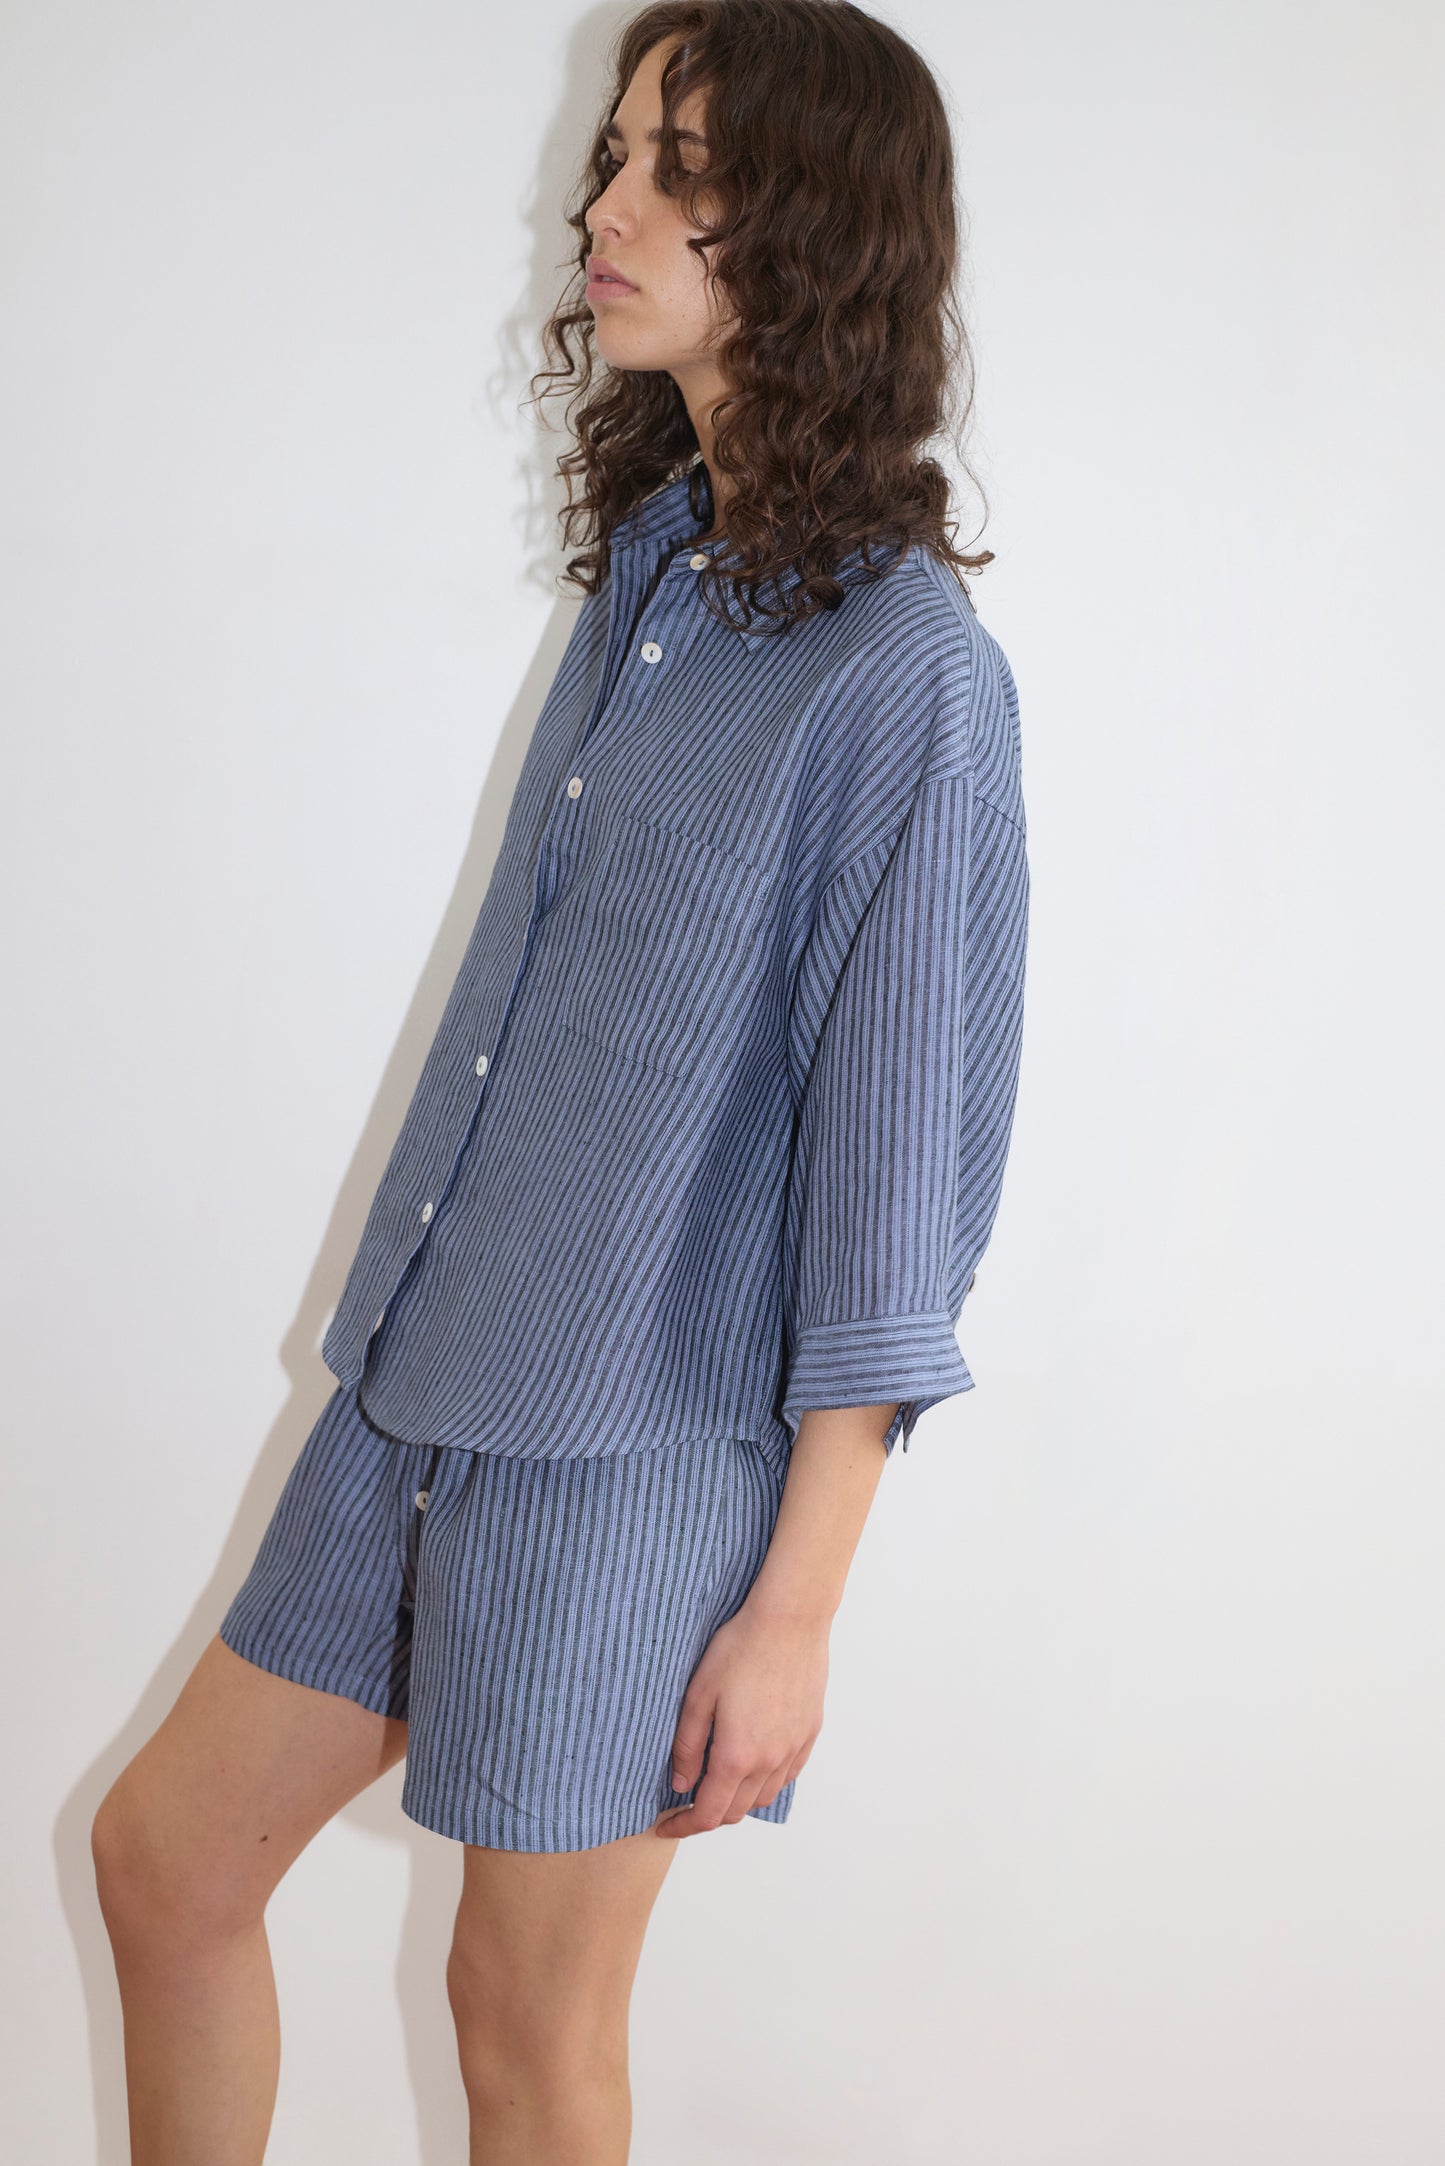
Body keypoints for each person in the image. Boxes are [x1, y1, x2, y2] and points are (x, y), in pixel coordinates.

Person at [90, 3, 1030, 2159]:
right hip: (428, 1388)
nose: (599, 213)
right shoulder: (657, 581)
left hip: (640, 1458)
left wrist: (789, 1621)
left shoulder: (909, 683)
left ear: (808, 232)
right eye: (613, 154)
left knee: (523, 2027)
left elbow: (897, 1203)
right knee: (166, 1865)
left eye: (669, 170)